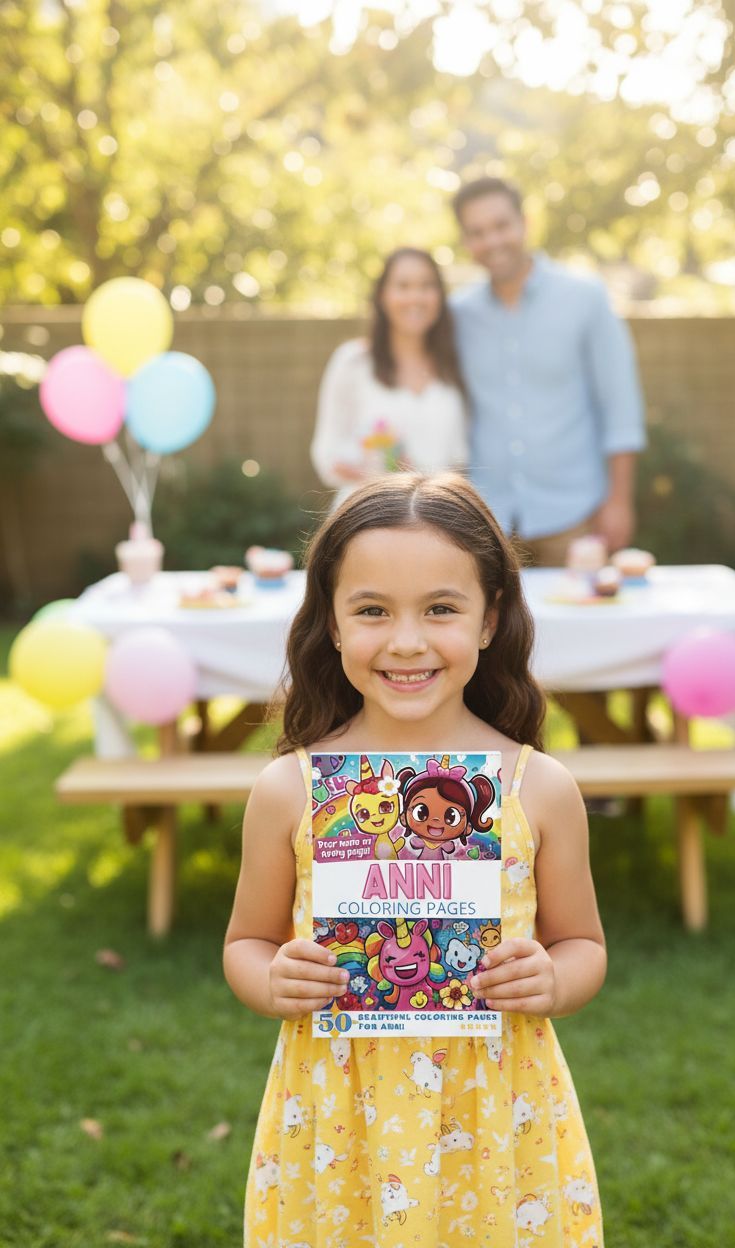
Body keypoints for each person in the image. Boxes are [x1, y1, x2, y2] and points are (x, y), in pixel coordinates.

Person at [224, 472, 607, 1247]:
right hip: (336, 1119)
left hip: (494, 1111)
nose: (406, 641)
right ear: (330, 625)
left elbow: (585, 946)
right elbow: (244, 943)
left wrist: (552, 978)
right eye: (371, 611)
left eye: (440, 608)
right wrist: (272, 978)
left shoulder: (541, 788)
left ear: (490, 618)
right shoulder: (288, 791)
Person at [451, 176, 646, 567]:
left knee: (582, 626)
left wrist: (619, 501)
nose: (492, 241)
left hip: (575, 516)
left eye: (501, 225)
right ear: (466, 242)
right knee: (497, 630)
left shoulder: (585, 298)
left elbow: (620, 405)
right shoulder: (457, 314)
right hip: (488, 523)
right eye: (477, 232)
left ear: (524, 223)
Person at [310, 248, 468, 506]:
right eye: (403, 286)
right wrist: (392, 479)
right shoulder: (353, 362)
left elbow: (460, 461)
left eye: (427, 286)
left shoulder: (453, 366)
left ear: (440, 296)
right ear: (382, 296)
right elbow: (327, 459)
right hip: (367, 515)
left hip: (440, 521)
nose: (415, 297)